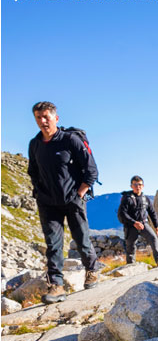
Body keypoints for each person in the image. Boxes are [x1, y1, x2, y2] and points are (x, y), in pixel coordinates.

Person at [27, 101, 100, 304]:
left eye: (46, 117)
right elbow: (33, 171)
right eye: (38, 118)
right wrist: (39, 192)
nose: (42, 121)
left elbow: (91, 170)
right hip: (48, 203)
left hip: (73, 200)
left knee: (81, 238)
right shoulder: (35, 144)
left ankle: (92, 270)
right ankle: (56, 286)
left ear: (55, 118)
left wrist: (79, 194)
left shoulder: (70, 140)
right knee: (53, 245)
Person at [118, 176, 158, 265]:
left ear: (143, 186)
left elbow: (152, 212)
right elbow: (122, 214)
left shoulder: (145, 199)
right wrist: (134, 222)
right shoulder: (127, 198)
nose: (137, 186)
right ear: (131, 186)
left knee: (153, 238)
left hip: (144, 224)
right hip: (131, 226)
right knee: (130, 247)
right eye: (135, 184)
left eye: (139, 184)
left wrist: (157, 226)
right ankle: (131, 266)